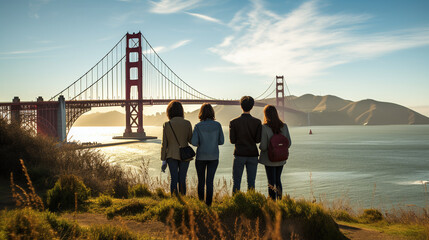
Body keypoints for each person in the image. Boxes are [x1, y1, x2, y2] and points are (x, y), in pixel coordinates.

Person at [191, 103, 224, 206]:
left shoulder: (198, 126)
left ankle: (201, 204)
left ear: (201, 113)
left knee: (201, 181)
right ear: (212, 112)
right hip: (214, 157)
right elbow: (221, 141)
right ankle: (208, 205)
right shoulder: (217, 125)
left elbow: (194, 142)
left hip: (201, 157)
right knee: (210, 181)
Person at [229, 96, 262, 193]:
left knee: (236, 182)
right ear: (252, 107)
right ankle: (251, 203)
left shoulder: (233, 122)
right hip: (253, 155)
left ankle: (236, 203)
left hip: (239, 154)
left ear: (241, 106)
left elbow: (232, 140)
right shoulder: (257, 122)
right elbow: (257, 140)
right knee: (251, 182)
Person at [259, 105, 291, 200]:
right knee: (278, 180)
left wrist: (261, 147)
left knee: (271, 182)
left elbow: (263, 147)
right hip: (281, 158)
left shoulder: (264, 127)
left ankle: (272, 204)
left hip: (269, 159)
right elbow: (288, 143)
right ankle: (280, 202)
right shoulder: (284, 126)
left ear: (266, 115)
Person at [161, 100, 193, 196]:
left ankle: (175, 201)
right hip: (185, 155)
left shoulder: (167, 124)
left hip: (171, 155)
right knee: (182, 178)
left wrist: (163, 160)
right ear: (181, 111)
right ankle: (183, 199)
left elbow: (164, 144)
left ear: (169, 112)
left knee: (174, 179)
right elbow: (191, 140)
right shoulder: (187, 123)